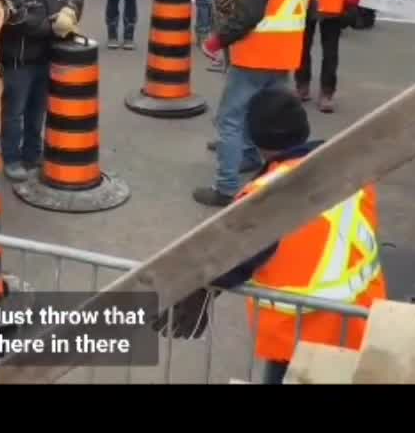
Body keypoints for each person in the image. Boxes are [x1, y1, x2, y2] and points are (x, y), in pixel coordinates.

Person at [159, 88, 386, 384]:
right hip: (361, 322)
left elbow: (235, 256)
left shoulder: (267, 196)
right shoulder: (347, 169)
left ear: (255, 140)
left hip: (300, 337)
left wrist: (201, 285)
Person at [194, 0, 316, 206]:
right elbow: (312, 13)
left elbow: (246, 14)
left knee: (230, 119)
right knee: (274, 118)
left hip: (253, 54)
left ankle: (225, 187)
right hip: (285, 55)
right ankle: (273, 173)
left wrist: (216, 41)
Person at [0, 0, 84, 182]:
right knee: (14, 111)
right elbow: (15, 17)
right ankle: (11, 158)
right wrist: (52, 26)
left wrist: (70, 13)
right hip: (18, 57)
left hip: (49, 55)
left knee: (38, 109)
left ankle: (33, 153)